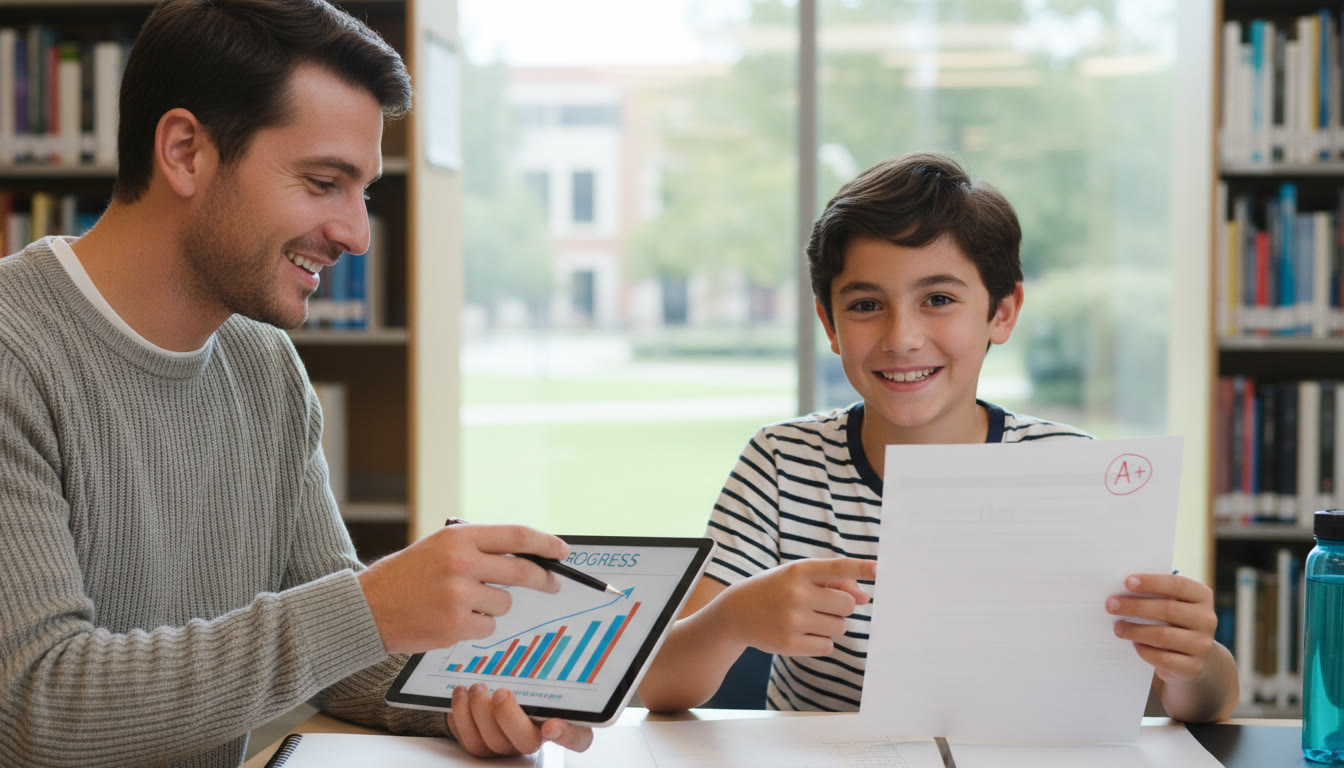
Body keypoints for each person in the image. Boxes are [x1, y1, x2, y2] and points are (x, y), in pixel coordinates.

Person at [0, 1, 590, 765]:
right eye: (323, 182)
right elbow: (36, 702)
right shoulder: (17, 352)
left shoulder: (264, 365)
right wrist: (369, 607)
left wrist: (485, 693)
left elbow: (343, 658)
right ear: (185, 151)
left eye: (364, 192)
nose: (356, 234)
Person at [637, 152, 1239, 723]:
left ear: (1001, 313)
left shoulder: (1071, 468)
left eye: (939, 299)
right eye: (867, 304)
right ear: (829, 323)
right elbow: (658, 685)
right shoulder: (782, 462)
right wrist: (730, 621)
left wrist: (1193, 659)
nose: (902, 336)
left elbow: (1208, 703)